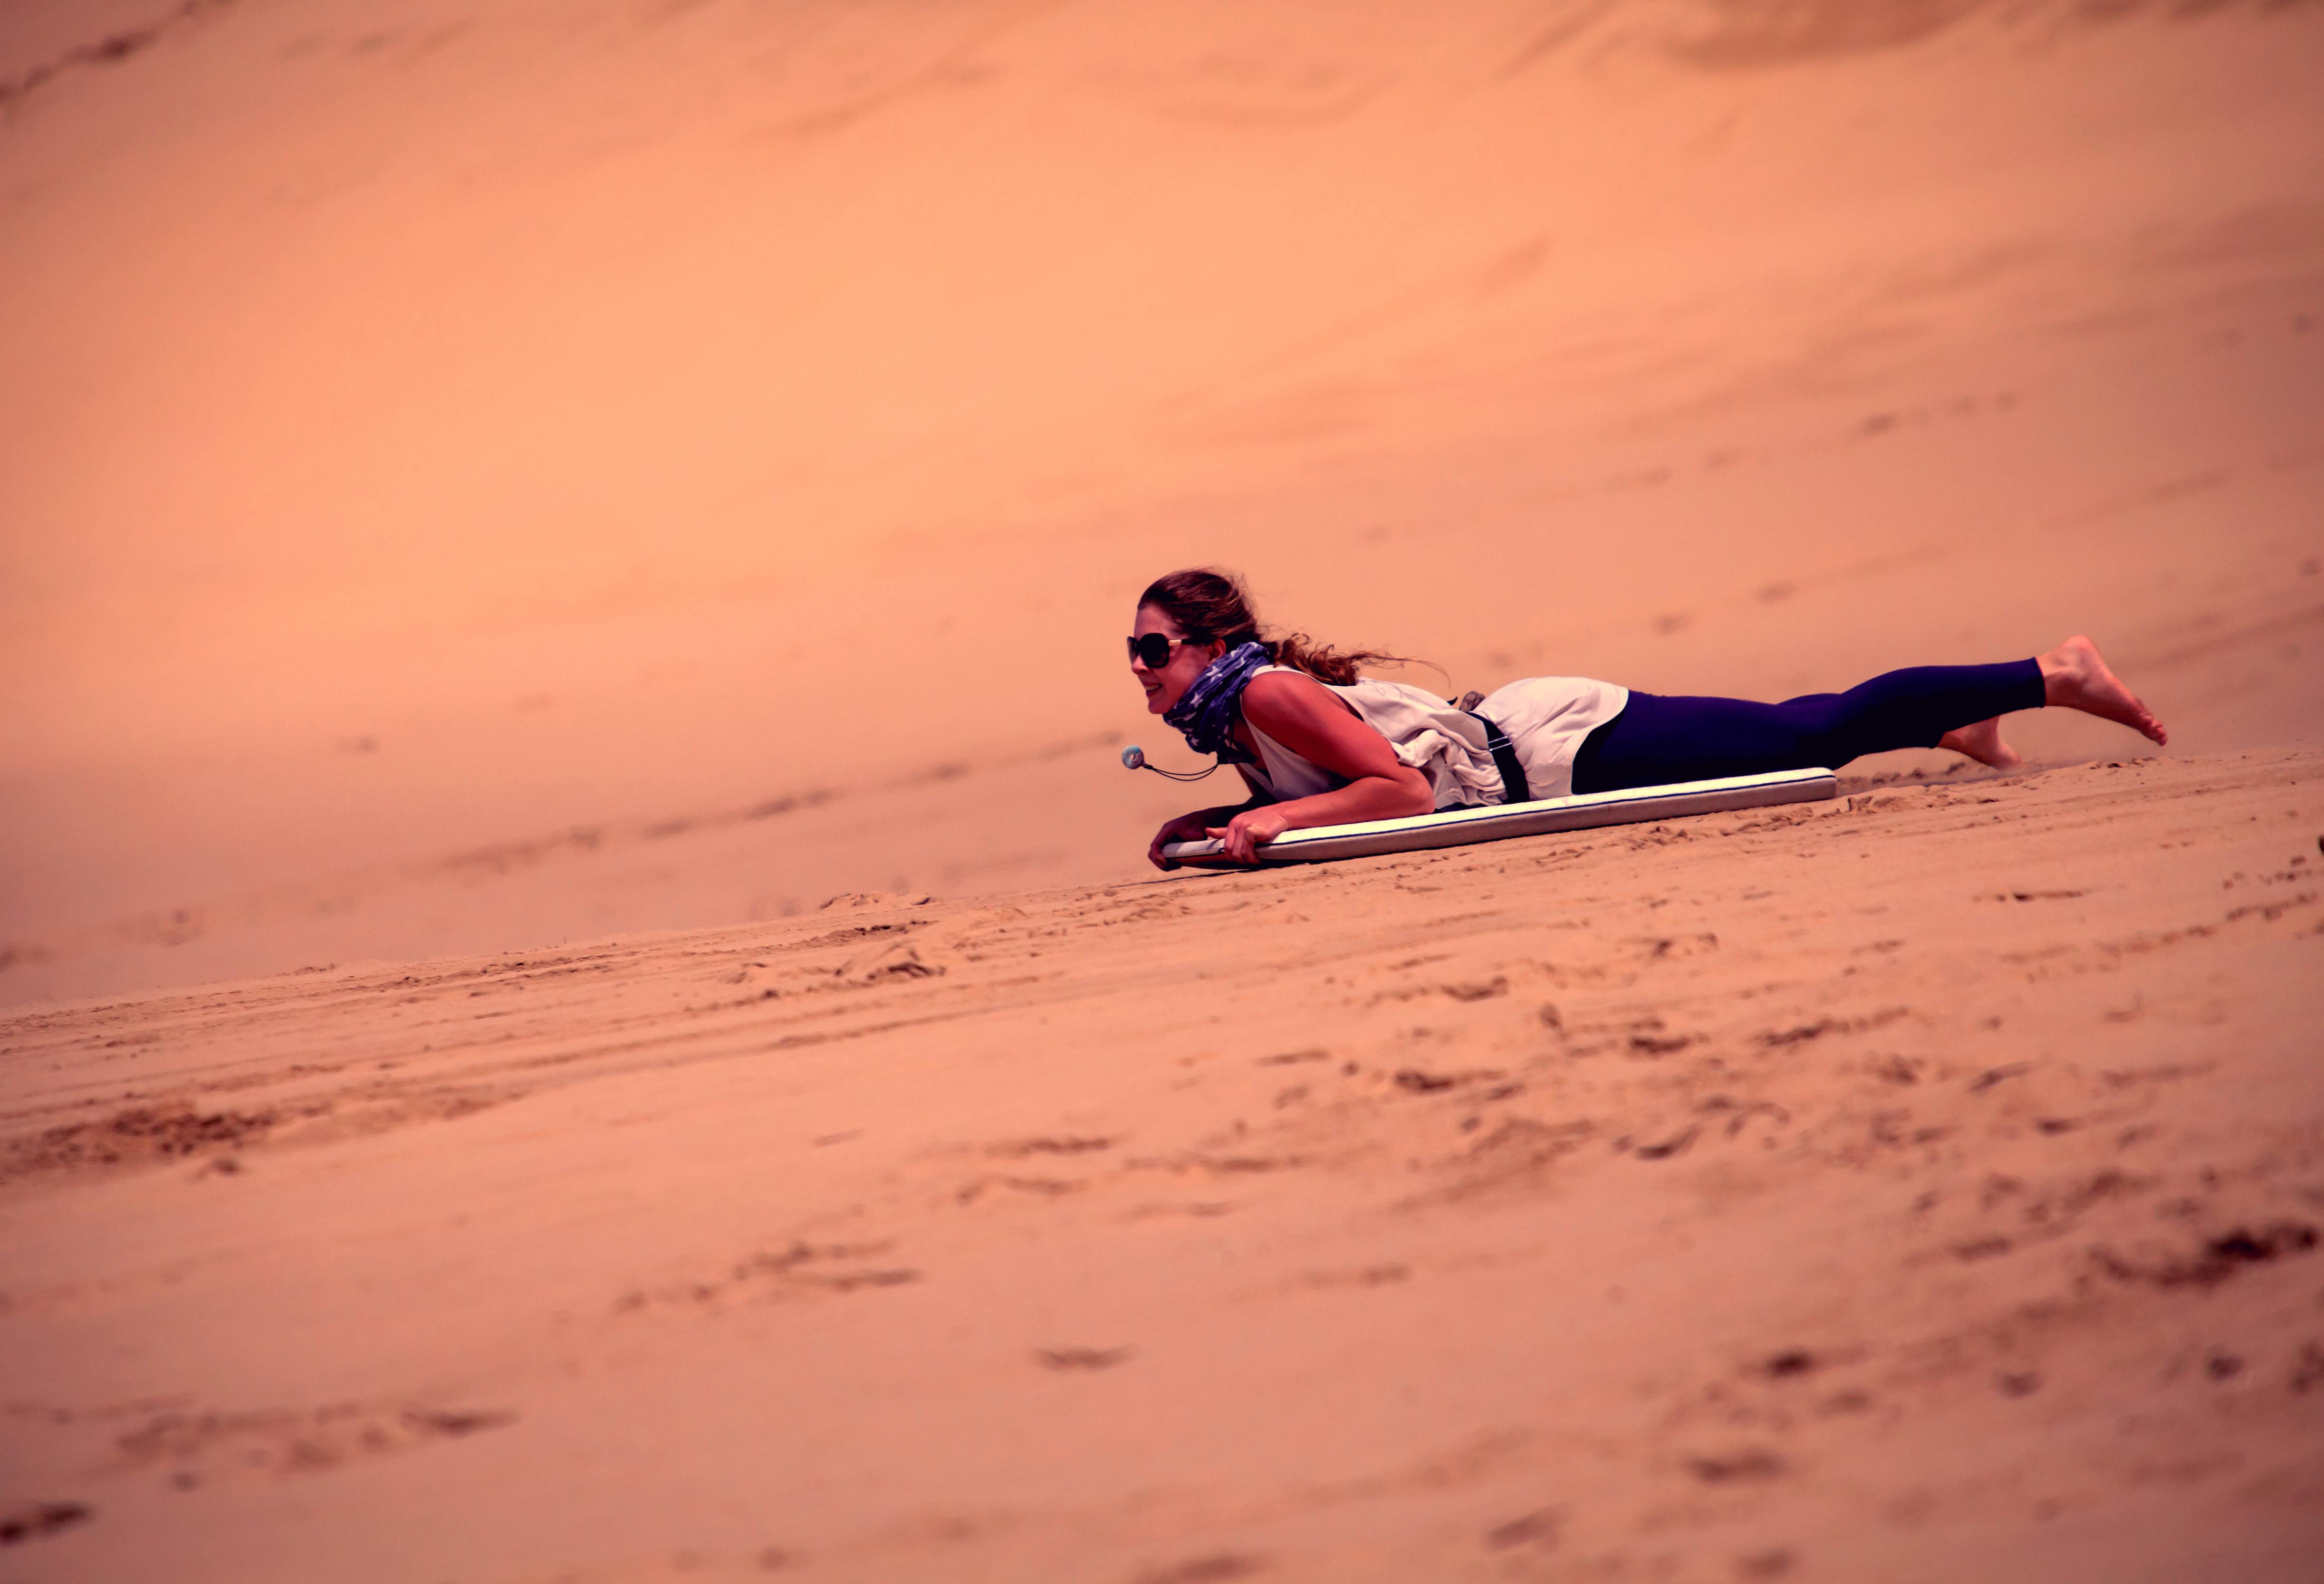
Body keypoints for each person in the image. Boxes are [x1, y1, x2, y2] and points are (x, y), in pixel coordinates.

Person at [1132, 567, 2167, 868]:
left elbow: (1397, 791)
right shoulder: (1240, 719)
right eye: (1135, 654)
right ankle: (1955, 723)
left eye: (1155, 649)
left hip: (1556, 748)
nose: (1142, 670)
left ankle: (2051, 672)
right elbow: (1344, 779)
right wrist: (1230, 815)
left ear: (1213, 649)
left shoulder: (1264, 689)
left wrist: (1279, 824)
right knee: (1789, 725)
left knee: (1806, 737)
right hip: (1533, 760)